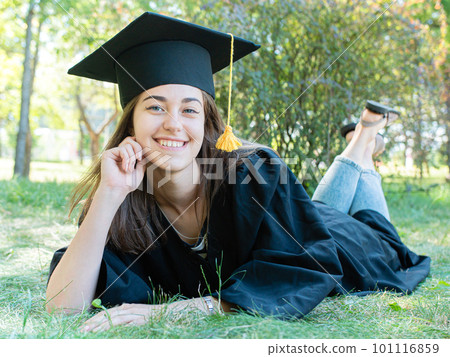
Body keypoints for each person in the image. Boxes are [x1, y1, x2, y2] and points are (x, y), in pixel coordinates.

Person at [46, 12, 430, 333]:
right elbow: (63, 308)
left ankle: (365, 139)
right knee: (316, 205)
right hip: (300, 218)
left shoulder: (252, 170)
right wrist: (109, 195)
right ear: (131, 123)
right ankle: (365, 142)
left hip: (345, 248)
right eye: (155, 107)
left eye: (190, 109)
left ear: (208, 121)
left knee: (378, 229)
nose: (173, 125)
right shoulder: (121, 202)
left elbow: (307, 267)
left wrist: (182, 310)